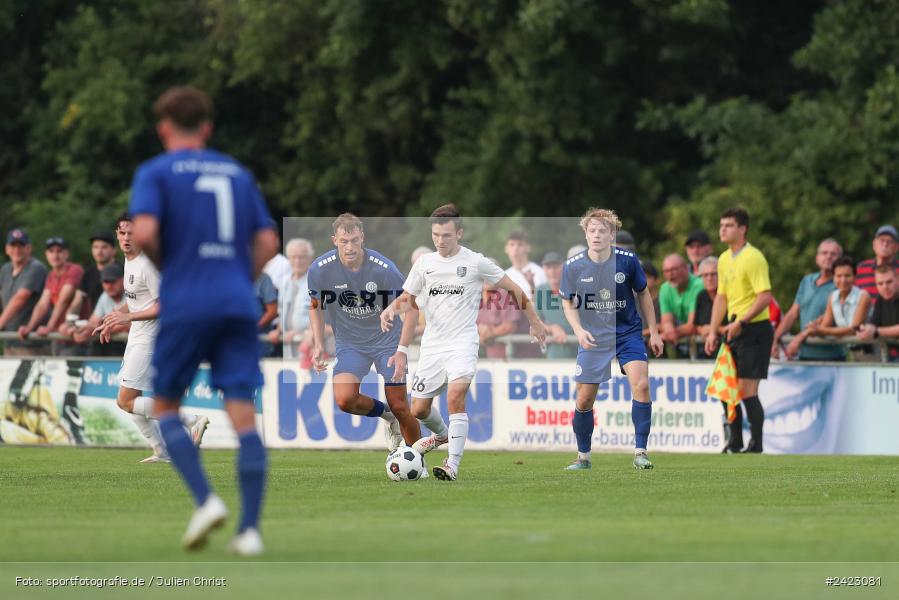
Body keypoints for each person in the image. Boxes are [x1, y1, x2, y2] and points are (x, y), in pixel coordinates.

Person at [129, 85, 280, 555]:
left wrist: (176, 268)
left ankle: (206, 500)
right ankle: (250, 531)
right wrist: (237, 278)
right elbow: (268, 241)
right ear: (207, 128)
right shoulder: (236, 172)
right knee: (243, 414)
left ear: (163, 129)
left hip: (187, 300)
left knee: (166, 405)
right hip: (236, 302)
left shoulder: (155, 172)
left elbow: (145, 232)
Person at [381, 204, 546, 481]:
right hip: (433, 346)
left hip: (463, 342)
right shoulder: (424, 263)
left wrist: (535, 321)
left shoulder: (475, 262)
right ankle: (443, 435)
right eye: (435, 235)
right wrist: (390, 309)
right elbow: (407, 299)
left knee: (455, 397)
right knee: (418, 409)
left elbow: (513, 289)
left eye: (446, 235)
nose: (440, 240)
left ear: (459, 233)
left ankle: (452, 465)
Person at [94, 214, 208, 463]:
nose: (127, 238)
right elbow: (136, 300)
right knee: (132, 401)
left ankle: (192, 421)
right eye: (122, 233)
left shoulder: (146, 264)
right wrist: (113, 317)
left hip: (152, 336)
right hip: (138, 334)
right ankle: (161, 450)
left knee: (125, 400)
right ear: (117, 235)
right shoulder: (129, 262)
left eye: (131, 233)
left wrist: (127, 318)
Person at [560, 208, 664, 471]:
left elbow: (644, 294)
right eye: (592, 230)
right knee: (584, 399)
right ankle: (583, 457)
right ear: (585, 234)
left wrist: (653, 331)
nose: (596, 235)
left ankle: (641, 453)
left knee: (641, 385)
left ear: (612, 234)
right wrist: (578, 330)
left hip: (627, 333)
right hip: (594, 337)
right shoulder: (573, 266)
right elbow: (567, 302)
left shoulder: (628, 261)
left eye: (602, 230)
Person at [306, 213, 421, 451]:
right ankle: (387, 415)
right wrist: (318, 344)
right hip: (350, 343)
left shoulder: (384, 269)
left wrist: (401, 350)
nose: (350, 247)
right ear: (334, 240)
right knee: (344, 399)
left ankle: (417, 458)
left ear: (362, 238)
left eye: (354, 240)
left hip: (387, 340)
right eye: (344, 241)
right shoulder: (319, 269)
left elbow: (411, 307)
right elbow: (315, 307)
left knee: (400, 406)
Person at [704, 207, 773, 453]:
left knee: (746, 390)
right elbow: (721, 297)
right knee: (726, 386)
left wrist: (741, 322)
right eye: (721, 225)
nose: (723, 229)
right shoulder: (723, 259)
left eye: (729, 225)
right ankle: (735, 442)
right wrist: (713, 331)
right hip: (733, 330)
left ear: (743, 229)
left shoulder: (753, 257)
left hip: (754, 329)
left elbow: (765, 296)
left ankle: (756, 444)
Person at [772, 239, 844, 361]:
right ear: (817, 258)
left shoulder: (842, 284)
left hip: (832, 356)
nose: (828, 257)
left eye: (833, 254)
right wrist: (775, 338)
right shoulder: (807, 281)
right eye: (824, 253)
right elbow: (793, 313)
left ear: (840, 259)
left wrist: (800, 337)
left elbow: (828, 317)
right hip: (805, 354)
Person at [17, 237, 89, 353]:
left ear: (67, 254)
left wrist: (49, 327)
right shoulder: (51, 275)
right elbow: (42, 304)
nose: (55, 255)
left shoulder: (75, 270)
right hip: (59, 336)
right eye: (51, 251)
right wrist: (29, 327)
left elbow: (63, 299)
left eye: (59, 251)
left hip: (76, 337)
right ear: (46, 255)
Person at [806, 257, 871, 360]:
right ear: (833, 277)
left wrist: (819, 330)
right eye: (839, 276)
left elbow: (853, 329)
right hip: (851, 351)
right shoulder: (832, 296)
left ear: (855, 277)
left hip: (871, 351)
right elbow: (825, 325)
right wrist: (815, 328)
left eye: (847, 276)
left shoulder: (863, 296)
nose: (843, 280)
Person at [0, 229, 48, 356]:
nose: (17, 250)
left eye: (21, 246)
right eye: (13, 246)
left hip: (31, 341)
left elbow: (20, 298)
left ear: (29, 248)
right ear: (7, 249)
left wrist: (0, 323)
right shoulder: (5, 269)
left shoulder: (35, 268)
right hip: (10, 339)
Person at [69, 263, 128, 356]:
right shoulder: (105, 296)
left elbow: (131, 323)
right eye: (106, 282)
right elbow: (93, 322)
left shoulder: (131, 294)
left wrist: (97, 329)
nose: (109, 286)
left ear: (123, 280)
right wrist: (78, 329)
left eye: (112, 281)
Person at [268, 238, 313, 359]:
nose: (297, 261)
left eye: (301, 257)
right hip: (288, 347)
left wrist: (300, 331)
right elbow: (281, 312)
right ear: (288, 259)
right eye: (293, 257)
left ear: (309, 259)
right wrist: (278, 330)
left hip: (309, 348)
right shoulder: (284, 283)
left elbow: (322, 316)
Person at [659, 254, 704, 356]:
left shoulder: (698, 285)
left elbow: (692, 325)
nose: (670, 274)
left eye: (674, 269)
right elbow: (666, 321)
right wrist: (668, 328)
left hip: (705, 338)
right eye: (666, 271)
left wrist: (671, 332)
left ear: (686, 268)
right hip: (688, 340)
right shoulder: (665, 288)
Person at [535, 252, 577, 359]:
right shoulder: (540, 291)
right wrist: (551, 328)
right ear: (543, 269)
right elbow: (534, 323)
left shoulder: (577, 287)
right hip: (557, 351)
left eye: (556, 267)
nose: (552, 271)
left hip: (582, 348)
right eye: (548, 267)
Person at [477, 259, 521, 359]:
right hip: (492, 356)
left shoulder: (506, 293)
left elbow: (510, 326)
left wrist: (489, 334)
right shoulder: (477, 295)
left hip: (515, 357)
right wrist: (480, 328)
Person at [857, 264, 899, 361]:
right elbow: (874, 324)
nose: (885, 287)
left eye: (889, 282)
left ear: (898, 279)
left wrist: (876, 331)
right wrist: (865, 329)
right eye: (880, 283)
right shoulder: (881, 299)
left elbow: (876, 329)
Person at [693, 257, 725, 358]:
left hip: (728, 350)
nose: (709, 278)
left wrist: (713, 330)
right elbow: (697, 326)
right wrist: (704, 330)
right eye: (705, 275)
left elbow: (735, 326)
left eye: (713, 274)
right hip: (705, 351)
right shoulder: (701, 296)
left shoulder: (729, 295)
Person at [856, 225, 898, 302]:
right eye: (882, 240)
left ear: (896, 247)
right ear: (874, 245)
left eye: (890, 241)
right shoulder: (861, 268)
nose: (885, 244)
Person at [80, 230, 118, 309]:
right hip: (94, 316)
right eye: (96, 247)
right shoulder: (88, 273)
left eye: (104, 247)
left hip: (118, 315)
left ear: (114, 250)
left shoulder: (123, 271)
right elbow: (79, 298)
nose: (99, 251)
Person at [504, 230, 546, 300]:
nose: (516, 248)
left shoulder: (539, 272)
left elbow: (543, 301)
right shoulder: (504, 276)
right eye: (512, 244)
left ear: (528, 248)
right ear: (506, 249)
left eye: (520, 244)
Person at [255, 273, 278, 357]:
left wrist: (253, 328)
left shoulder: (264, 279)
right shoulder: (233, 278)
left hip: (260, 344)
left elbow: (273, 311)